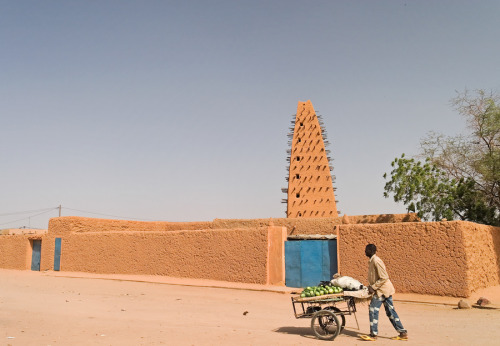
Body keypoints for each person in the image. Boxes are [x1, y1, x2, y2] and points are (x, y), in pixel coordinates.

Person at [360, 244, 408, 341]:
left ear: (370, 250)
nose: (365, 252)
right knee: (390, 312)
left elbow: (384, 277)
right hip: (384, 290)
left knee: (373, 310)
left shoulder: (376, 261)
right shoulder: (372, 261)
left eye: (366, 250)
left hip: (382, 290)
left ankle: (373, 334)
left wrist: (373, 287)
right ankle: (402, 332)